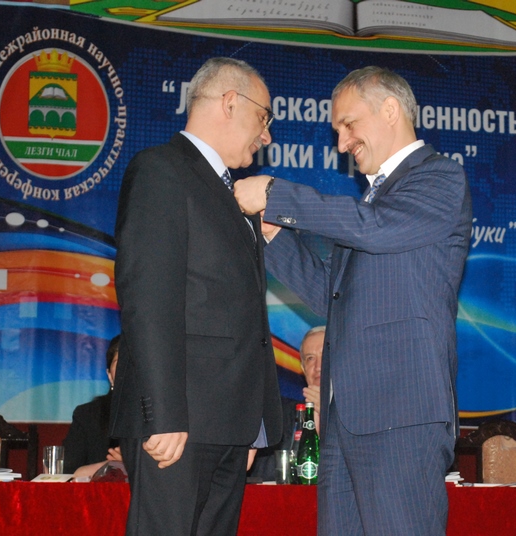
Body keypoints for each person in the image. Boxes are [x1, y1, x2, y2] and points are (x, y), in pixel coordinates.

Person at [235, 66, 471, 535]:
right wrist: (274, 234)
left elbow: (376, 230)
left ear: (390, 110)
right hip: (345, 420)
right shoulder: (372, 204)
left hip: (402, 415)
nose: (341, 144)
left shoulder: (440, 178)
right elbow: (332, 294)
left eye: (348, 125)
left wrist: (276, 194)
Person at [110, 57, 283, 536]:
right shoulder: (162, 170)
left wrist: (252, 425)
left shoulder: (234, 194)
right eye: (263, 117)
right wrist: (163, 415)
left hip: (229, 426)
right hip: (178, 424)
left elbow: (242, 315)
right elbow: (148, 297)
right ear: (229, 102)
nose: (267, 135)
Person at [248, 325, 325, 481]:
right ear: (303, 368)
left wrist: (329, 416)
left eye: (325, 357)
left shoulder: (362, 416)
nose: (318, 367)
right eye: (310, 358)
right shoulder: (278, 416)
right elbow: (264, 474)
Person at [63, 335, 124, 479]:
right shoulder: (87, 415)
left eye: (133, 363)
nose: (126, 370)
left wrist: (134, 464)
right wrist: (112, 466)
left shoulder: (162, 417)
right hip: (99, 492)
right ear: (109, 375)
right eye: (120, 363)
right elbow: (69, 473)